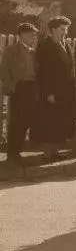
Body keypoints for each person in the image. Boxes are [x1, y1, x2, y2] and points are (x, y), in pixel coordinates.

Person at [32, 16, 76, 162]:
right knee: (48, 120)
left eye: (66, 29)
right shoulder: (46, 46)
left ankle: (55, 150)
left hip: (64, 90)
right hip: (51, 91)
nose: (65, 32)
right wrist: (48, 93)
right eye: (62, 29)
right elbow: (43, 72)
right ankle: (46, 152)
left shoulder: (66, 45)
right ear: (53, 29)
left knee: (59, 120)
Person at [0, 23, 39, 166]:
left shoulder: (32, 52)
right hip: (19, 88)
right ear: (21, 34)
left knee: (25, 122)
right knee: (16, 122)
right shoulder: (11, 50)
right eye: (31, 35)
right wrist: (12, 87)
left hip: (31, 88)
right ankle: (12, 154)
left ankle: (18, 152)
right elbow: (4, 71)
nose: (33, 38)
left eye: (34, 35)